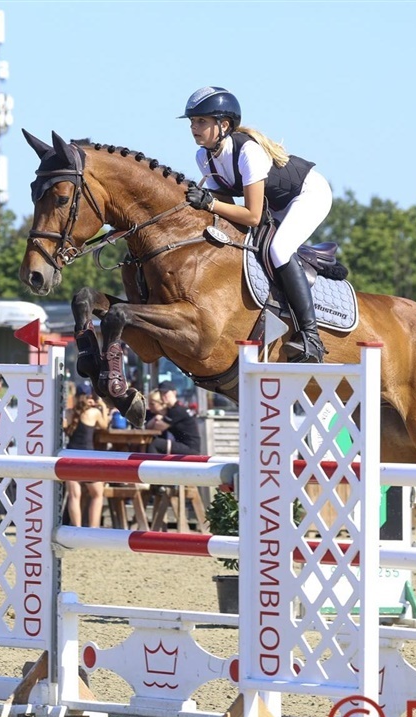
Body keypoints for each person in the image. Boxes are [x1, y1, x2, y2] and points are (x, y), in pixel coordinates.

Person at [180, 86, 330, 364]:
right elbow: (227, 207)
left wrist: (209, 204)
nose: (194, 128)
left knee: (279, 249)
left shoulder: (248, 151)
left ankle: (311, 337)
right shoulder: (204, 157)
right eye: (192, 122)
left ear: (224, 125)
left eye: (201, 121)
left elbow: (252, 216)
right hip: (274, 206)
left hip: (308, 194)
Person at [64, 382, 110, 527]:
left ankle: (76, 528)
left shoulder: (69, 413)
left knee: (74, 496)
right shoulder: (94, 413)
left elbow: (65, 426)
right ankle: (93, 528)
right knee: (97, 494)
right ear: (90, 396)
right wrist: (103, 407)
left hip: (70, 457)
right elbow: (104, 426)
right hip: (87, 458)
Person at [146, 381, 202, 455]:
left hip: (190, 449)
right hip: (186, 446)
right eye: (161, 393)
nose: (163, 396)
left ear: (174, 393)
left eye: (166, 393)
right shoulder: (173, 409)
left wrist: (157, 418)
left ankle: (151, 463)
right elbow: (149, 427)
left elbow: (157, 427)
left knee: (155, 443)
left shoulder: (177, 410)